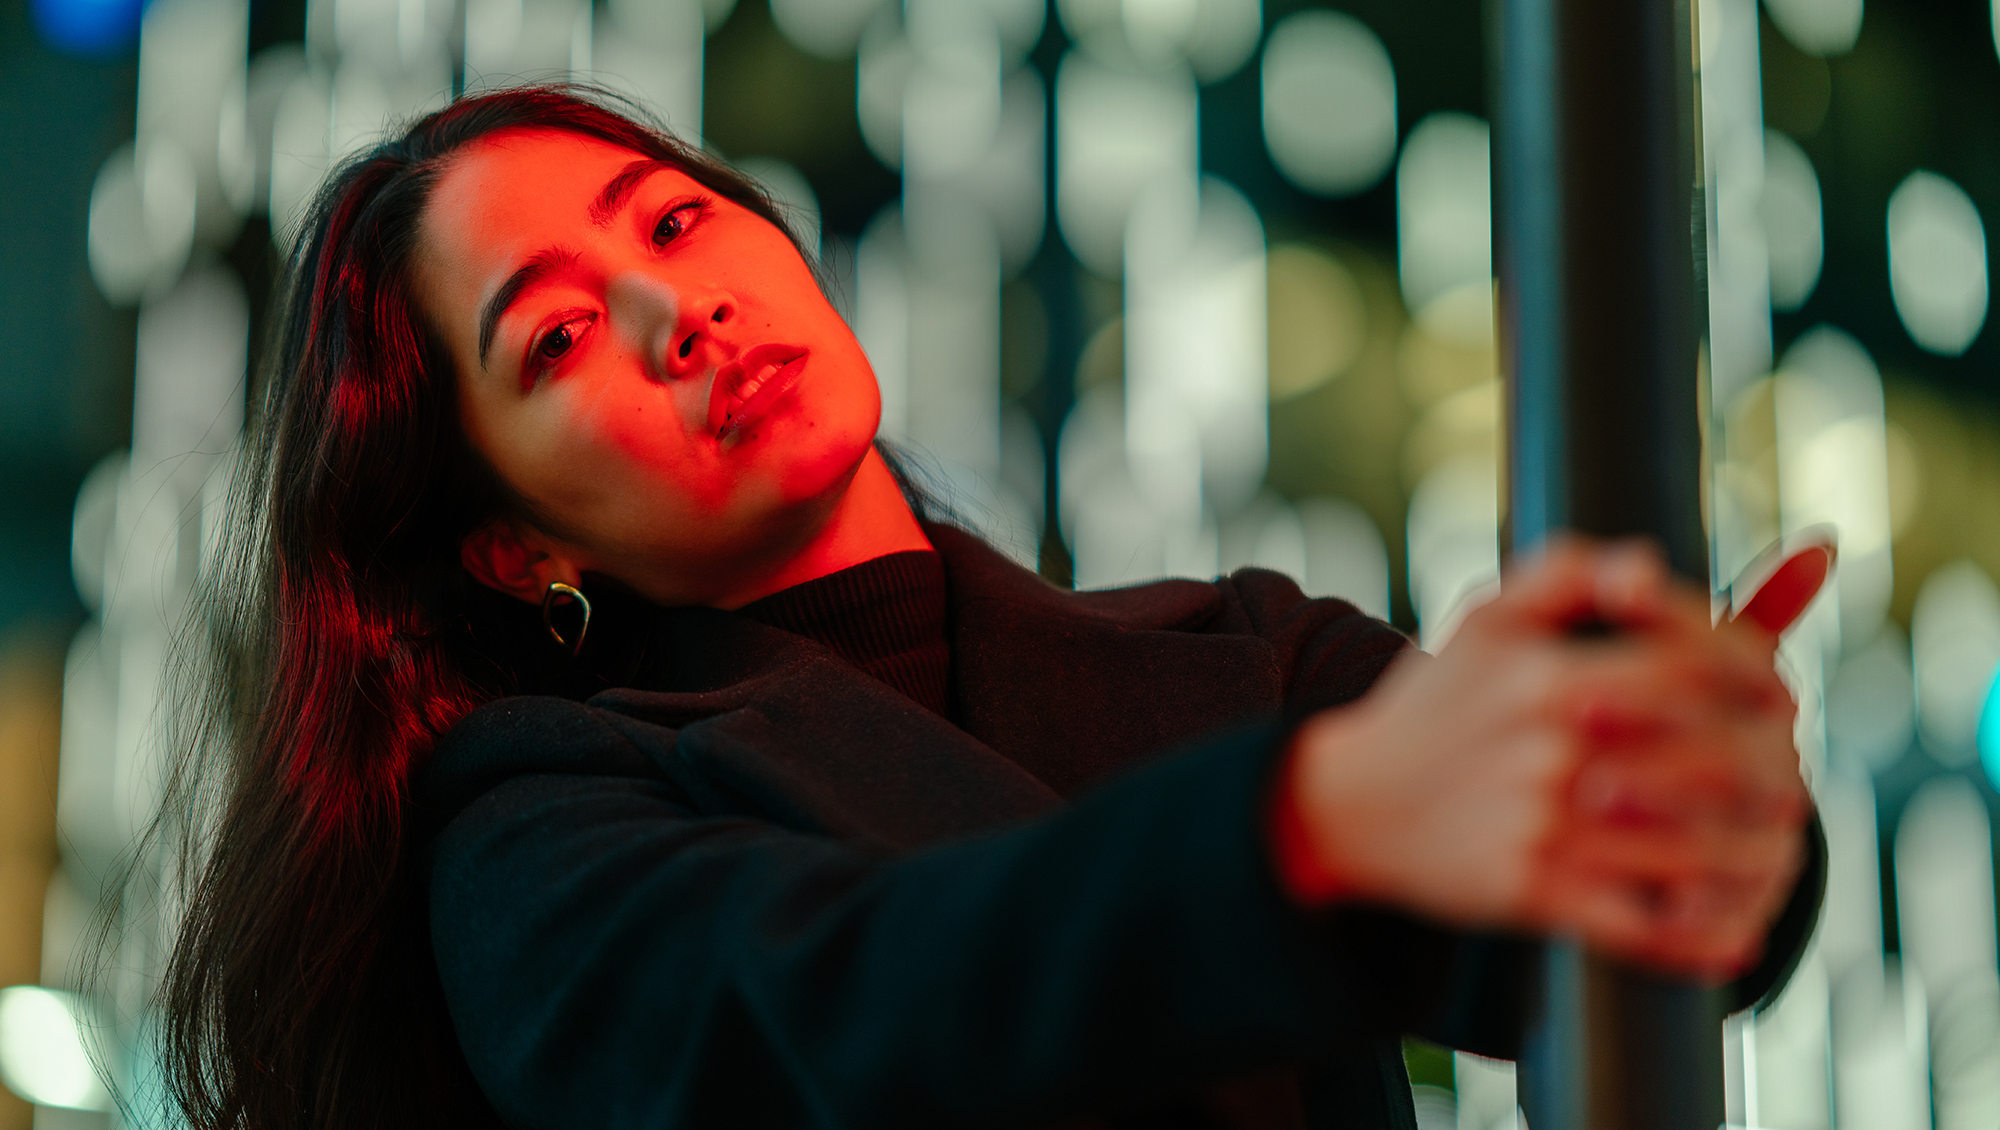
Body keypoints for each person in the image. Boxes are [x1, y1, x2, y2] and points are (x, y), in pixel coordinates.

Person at [145, 85, 1818, 1130]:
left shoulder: (1249, 652)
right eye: (559, 338)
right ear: (513, 548)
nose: (679, 310)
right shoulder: (534, 835)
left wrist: (1703, 787)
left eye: (672, 219)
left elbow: (1573, 951)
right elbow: (848, 1015)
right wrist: (1309, 834)